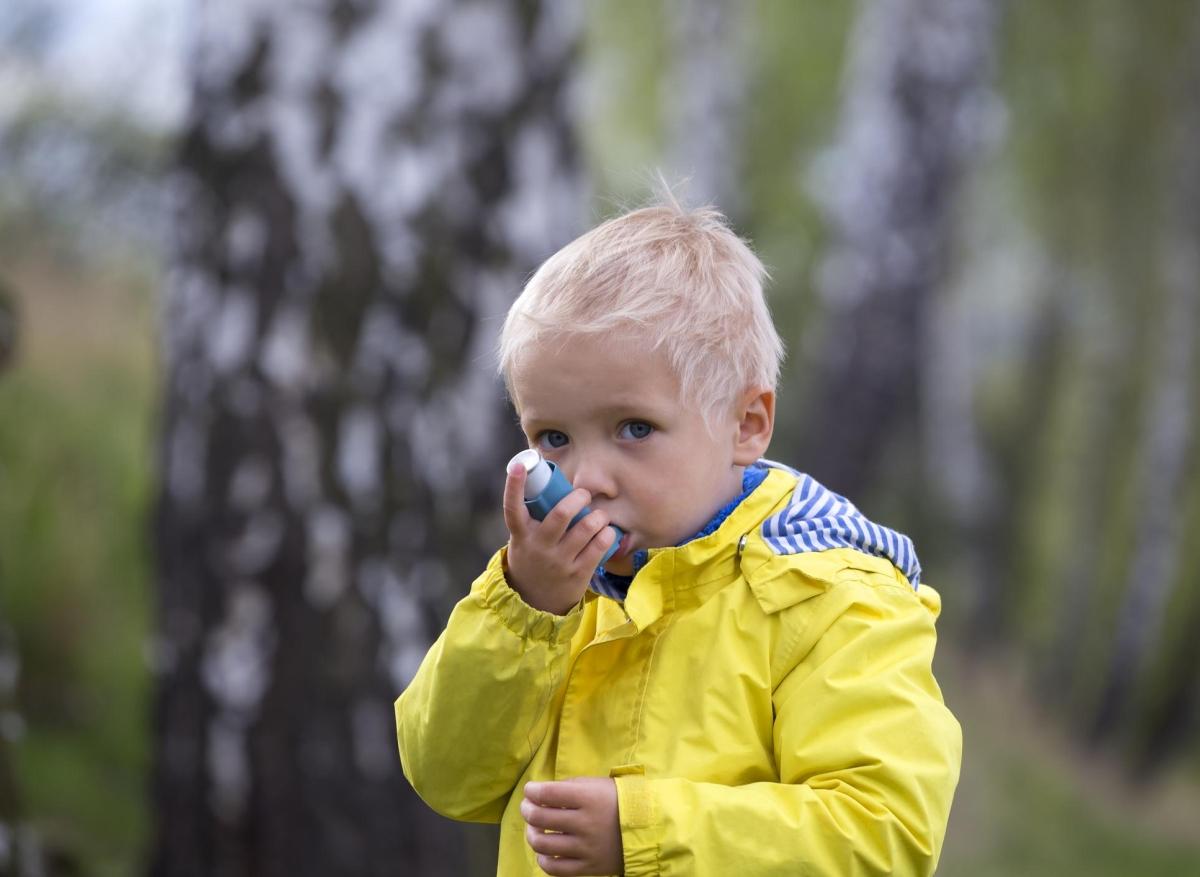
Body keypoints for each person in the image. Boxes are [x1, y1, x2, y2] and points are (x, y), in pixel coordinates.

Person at [395, 196, 962, 876]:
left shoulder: (829, 596)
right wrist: (525, 610)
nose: (587, 477)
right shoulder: (548, 598)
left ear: (747, 423)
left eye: (634, 427)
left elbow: (883, 836)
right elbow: (446, 774)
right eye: (554, 438)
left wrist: (644, 836)